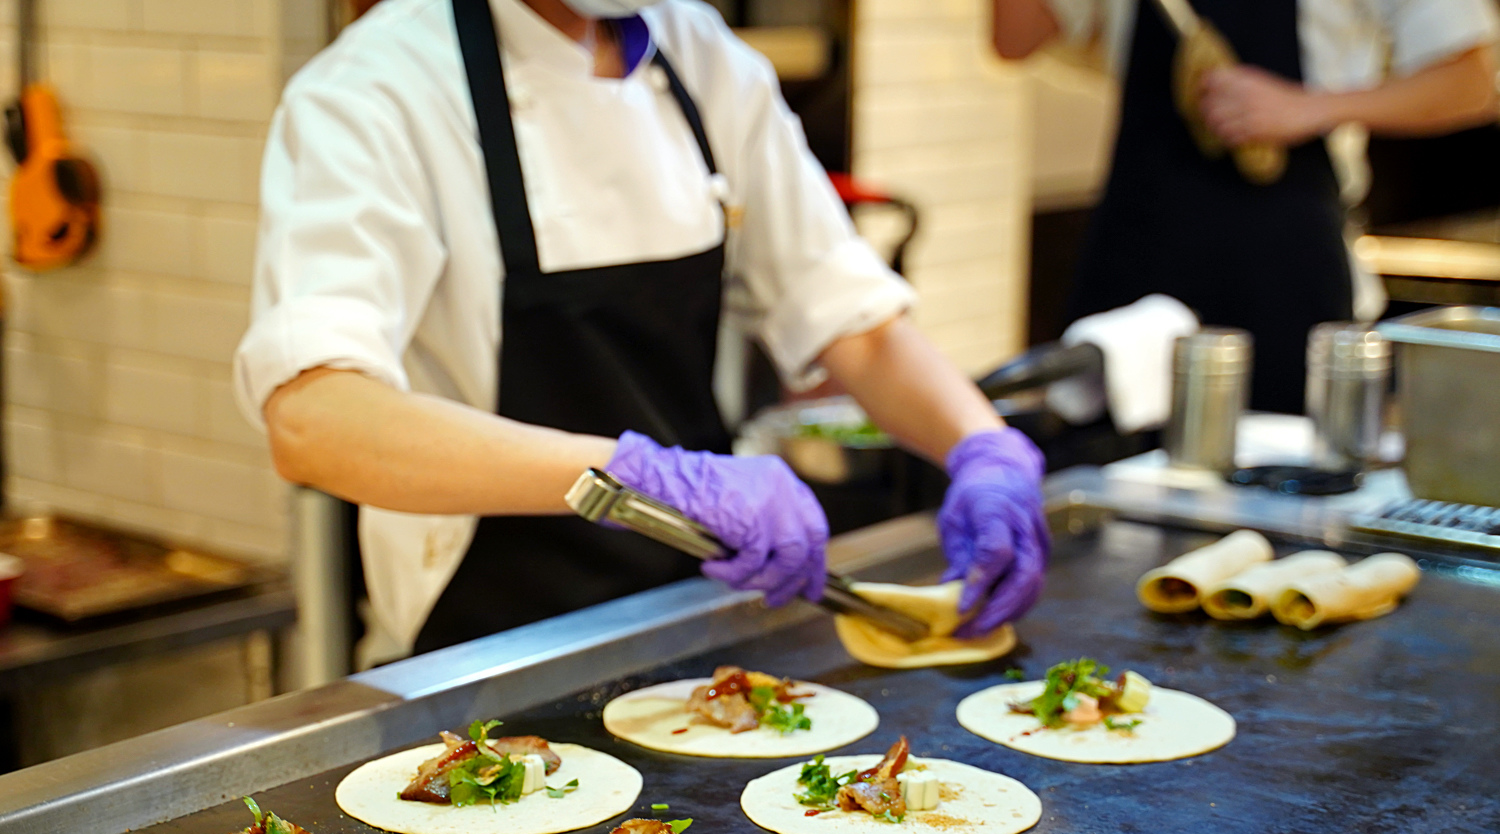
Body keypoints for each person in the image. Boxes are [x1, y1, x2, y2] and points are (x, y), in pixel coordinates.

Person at [234, 0, 1050, 658]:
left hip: (698, 621)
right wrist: (636, 477)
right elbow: (313, 417)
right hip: (485, 652)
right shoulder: (377, 91)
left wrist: (983, 445)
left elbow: (855, 325)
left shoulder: (704, 57)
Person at [993, 0, 1499, 413]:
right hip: (1136, 258)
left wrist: (1309, 109)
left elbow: (1474, 81)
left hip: (1287, 271)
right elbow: (1013, 37)